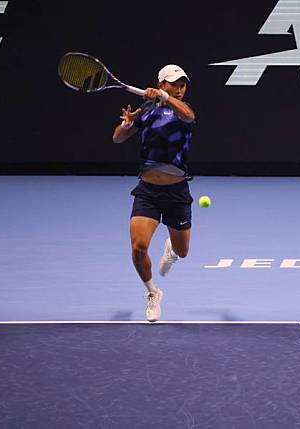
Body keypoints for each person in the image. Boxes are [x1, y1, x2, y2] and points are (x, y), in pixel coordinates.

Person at [112, 64, 196, 322]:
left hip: (176, 191)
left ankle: (171, 249)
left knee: (183, 252)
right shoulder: (148, 110)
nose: (180, 89)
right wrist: (127, 126)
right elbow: (117, 138)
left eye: (182, 85)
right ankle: (152, 292)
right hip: (147, 190)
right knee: (138, 248)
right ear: (162, 84)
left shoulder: (184, 110)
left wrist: (165, 98)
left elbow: (189, 116)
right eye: (174, 84)